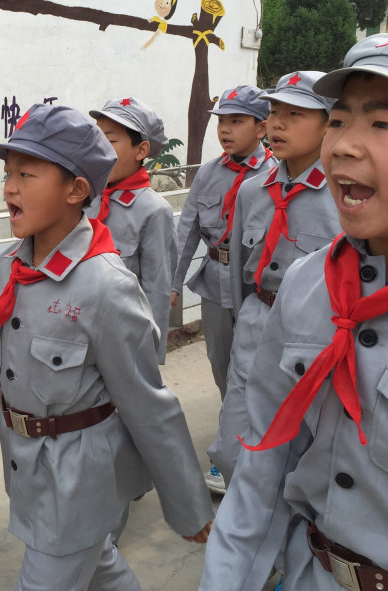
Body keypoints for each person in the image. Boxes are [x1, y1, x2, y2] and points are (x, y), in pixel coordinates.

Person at [0, 103, 214, 591]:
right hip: (29, 468)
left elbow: (149, 404)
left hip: (79, 480)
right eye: (7, 174)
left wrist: (187, 506)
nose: (10, 187)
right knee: (101, 566)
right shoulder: (9, 269)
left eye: (26, 173)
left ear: (76, 190)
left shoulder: (105, 286)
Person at [199, 22, 388, 591]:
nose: (343, 145)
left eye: (383, 122)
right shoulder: (312, 285)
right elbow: (263, 466)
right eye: (339, 120)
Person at [207, 72, 342, 487]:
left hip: (318, 336)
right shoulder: (253, 191)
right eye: (274, 112)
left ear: (328, 125)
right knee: (232, 450)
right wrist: (242, 321)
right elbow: (237, 276)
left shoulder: (345, 196)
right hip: (257, 320)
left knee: (305, 453)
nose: (278, 124)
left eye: (295, 114)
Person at [170, 85, 276, 494]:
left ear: (261, 126)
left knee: (253, 369)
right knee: (221, 363)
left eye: (237, 121)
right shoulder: (209, 174)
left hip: (255, 287)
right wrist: (172, 283)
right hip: (216, 282)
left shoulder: (273, 175)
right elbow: (187, 231)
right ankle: (232, 432)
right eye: (222, 122)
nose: (226, 130)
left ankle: (244, 450)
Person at [88, 97, 177, 364]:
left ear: (141, 150)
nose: (99, 148)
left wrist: (148, 357)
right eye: (96, 137)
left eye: (111, 140)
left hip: (122, 340)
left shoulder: (153, 211)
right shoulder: (86, 197)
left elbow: (157, 292)